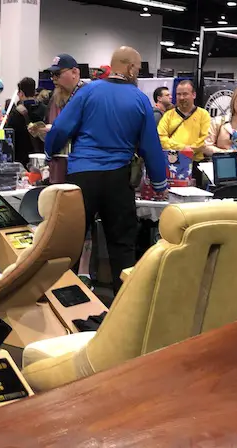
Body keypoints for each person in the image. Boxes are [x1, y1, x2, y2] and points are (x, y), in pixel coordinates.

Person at [46, 46, 168, 294]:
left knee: (71, 243)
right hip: (118, 179)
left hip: (82, 177)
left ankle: (62, 302)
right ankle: (123, 305)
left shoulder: (87, 91)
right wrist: (159, 182)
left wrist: (50, 151)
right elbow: (151, 146)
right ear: (131, 68)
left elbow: (60, 128)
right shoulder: (140, 99)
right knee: (122, 246)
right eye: (137, 69)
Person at [34, 54, 83, 184]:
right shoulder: (54, 99)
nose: (54, 79)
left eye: (58, 74)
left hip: (79, 169)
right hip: (57, 169)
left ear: (74, 72)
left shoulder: (86, 96)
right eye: (52, 75)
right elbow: (50, 126)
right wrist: (42, 131)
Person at [157, 80, 211, 164]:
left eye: (185, 94)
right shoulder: (168, 115)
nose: (181, 98)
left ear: (194, 95)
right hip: (173, 162)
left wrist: (190, 150)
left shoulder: (203, 114)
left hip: (196, 161)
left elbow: (205, 138)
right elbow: (161, 137)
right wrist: (182, 148)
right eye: (179, 94)